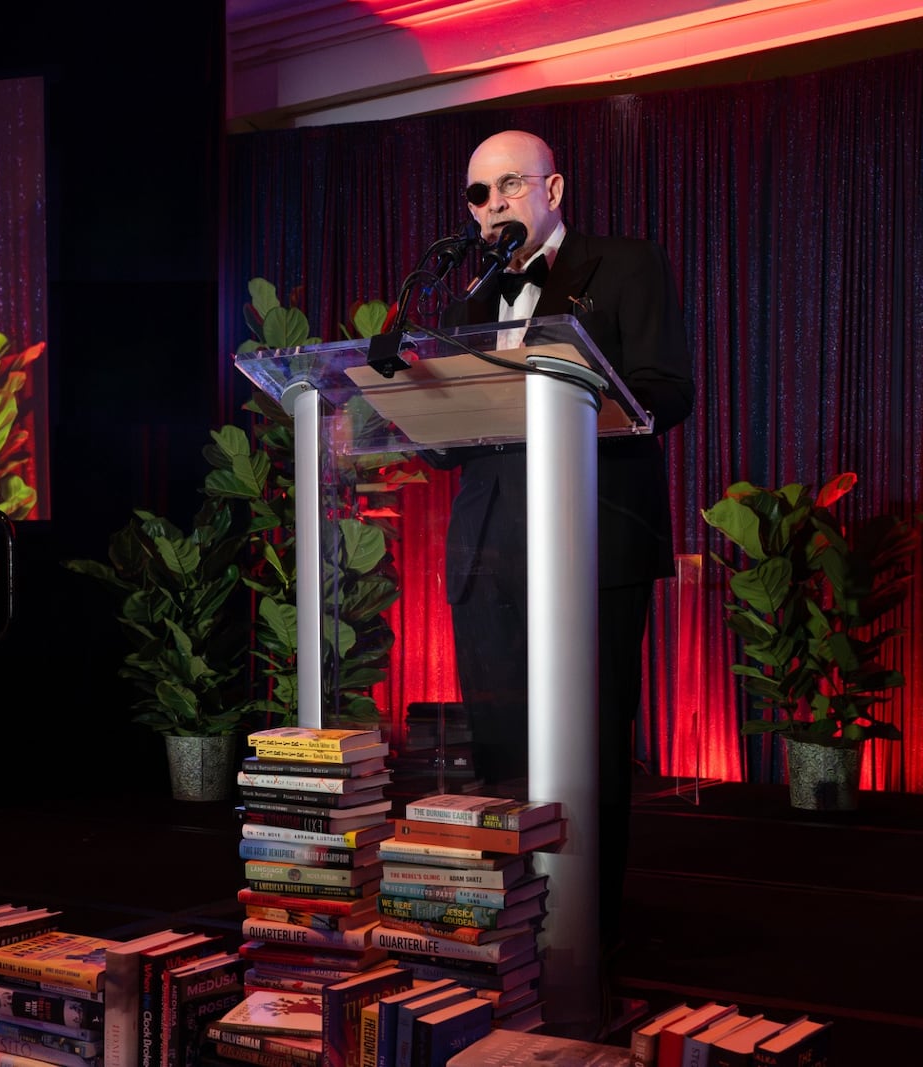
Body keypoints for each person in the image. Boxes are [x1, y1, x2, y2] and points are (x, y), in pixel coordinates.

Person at [435, 131, 695, 949]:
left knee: (588, 741)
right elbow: (452, 431)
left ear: (555, 188)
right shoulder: (467, 301)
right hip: (488, 542)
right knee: (502, 745)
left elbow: (665, 388)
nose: (494, 204)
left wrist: (578, 394)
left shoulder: (623, 264)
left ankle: (587, 933)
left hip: (593, 532)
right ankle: (514, 926)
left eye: (510, 184)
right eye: (479, 194)